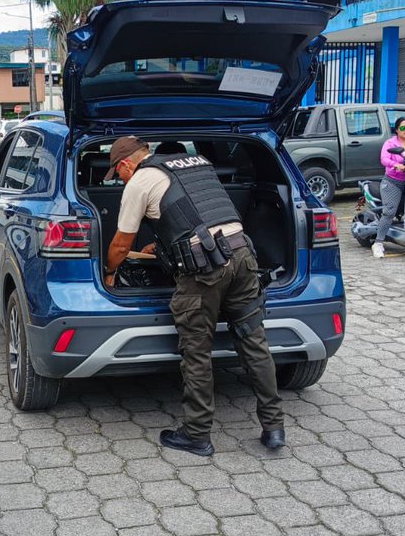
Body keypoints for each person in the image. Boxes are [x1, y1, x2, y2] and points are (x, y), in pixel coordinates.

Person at [102, 135, 286, 455]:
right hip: (242, 256)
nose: (119, 179)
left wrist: (109, 272)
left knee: (197, 352)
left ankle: (197, 434)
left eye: (117, 172)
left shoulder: (140, 181)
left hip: (203, 274)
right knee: (254, 344)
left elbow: (120, 245)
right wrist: (162, 247)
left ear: (127, 164)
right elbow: (195, 214)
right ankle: (274, 428)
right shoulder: (198, 165)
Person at [372, 118, 405, 258]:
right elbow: (384, 159)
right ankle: (378, 243)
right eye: (403, 128)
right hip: (393, 181)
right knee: (389, 212)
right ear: (397, 130)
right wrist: (395, 165)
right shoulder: (390, 143)